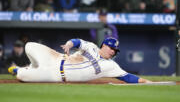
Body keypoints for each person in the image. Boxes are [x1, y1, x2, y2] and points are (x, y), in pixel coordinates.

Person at [8, 37, 151, 83]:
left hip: (57, 75)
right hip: (57, 58)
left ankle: (24, 70)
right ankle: (32, 67)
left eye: (115, 51)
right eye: (111, 48)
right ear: (104, 45)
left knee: (21, 76)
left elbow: (128, 77)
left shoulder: (110, 65)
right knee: (29, 46)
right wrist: (69, 44)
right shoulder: (92, 47)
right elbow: (77, 41)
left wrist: (146, 82)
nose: (113, 52)